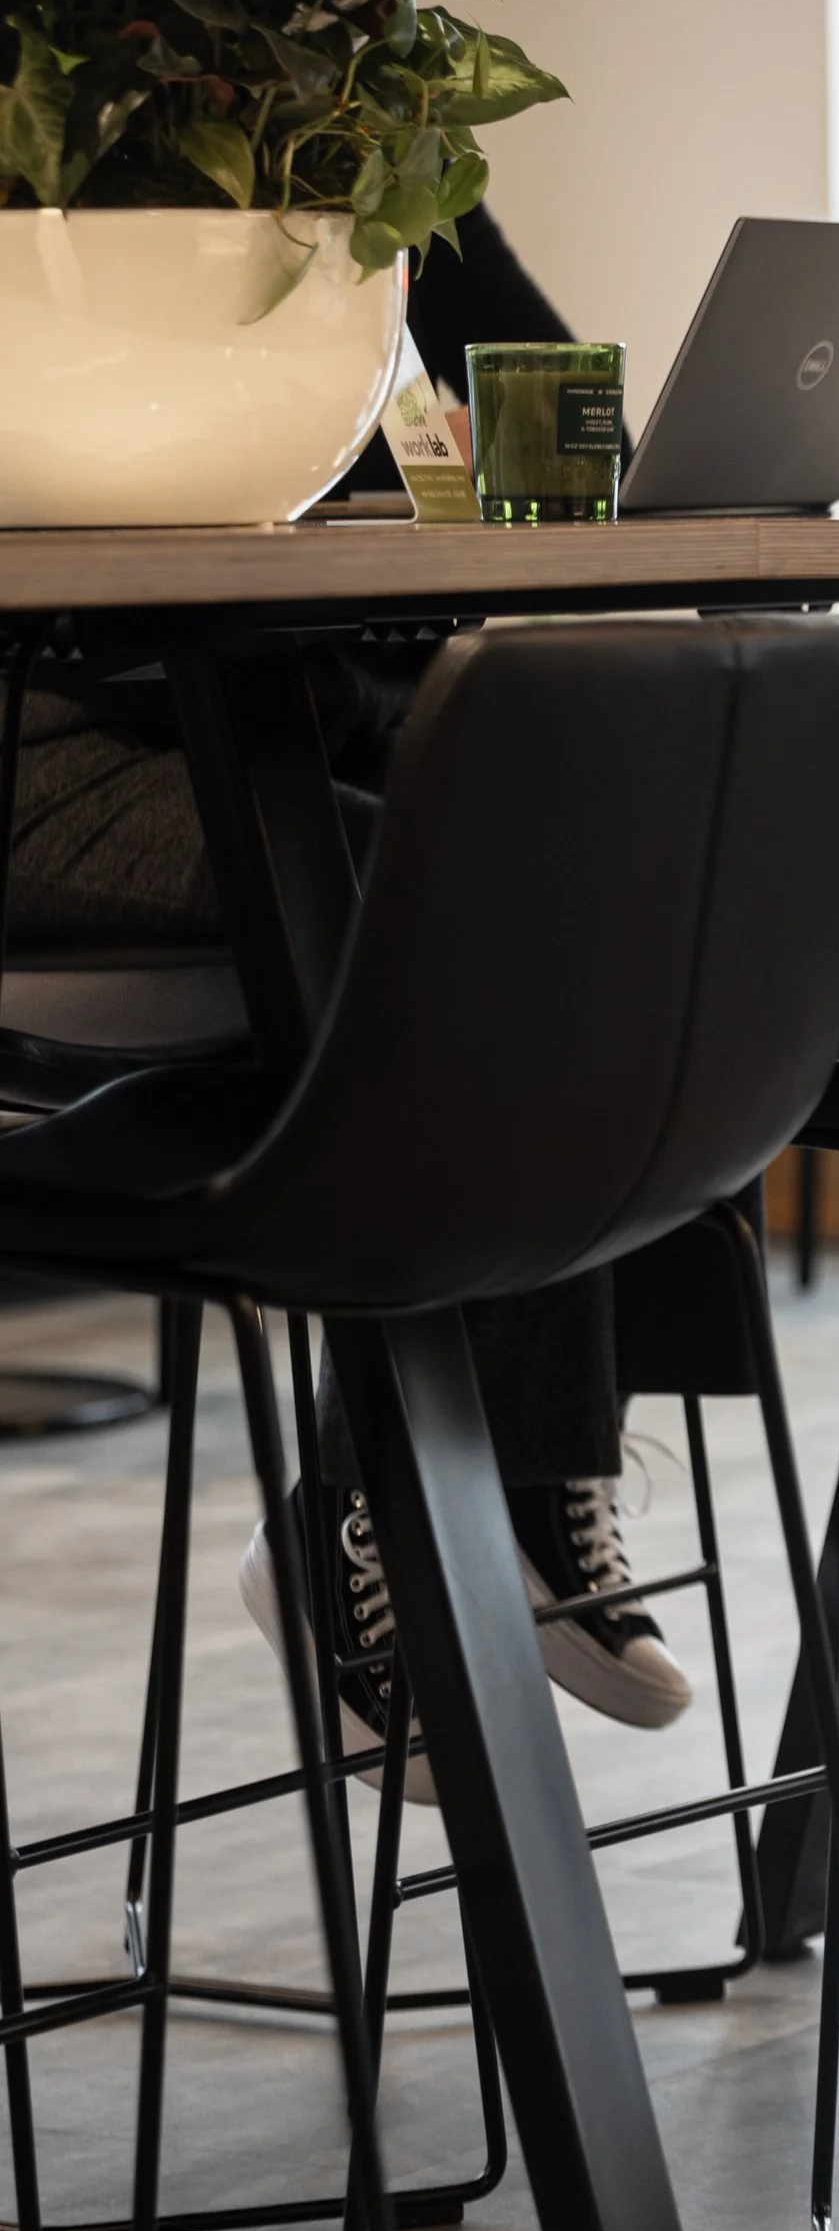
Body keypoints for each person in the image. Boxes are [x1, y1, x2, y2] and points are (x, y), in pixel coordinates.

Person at [5, 201, 692, 1778]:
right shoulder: (65, 161)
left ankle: (503, 1486)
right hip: (50, 748)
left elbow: (576, 420)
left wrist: (399, 183)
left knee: (591, 874)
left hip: (262, 727)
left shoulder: (334, 139)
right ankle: (388, 1504)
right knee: (502, 901)